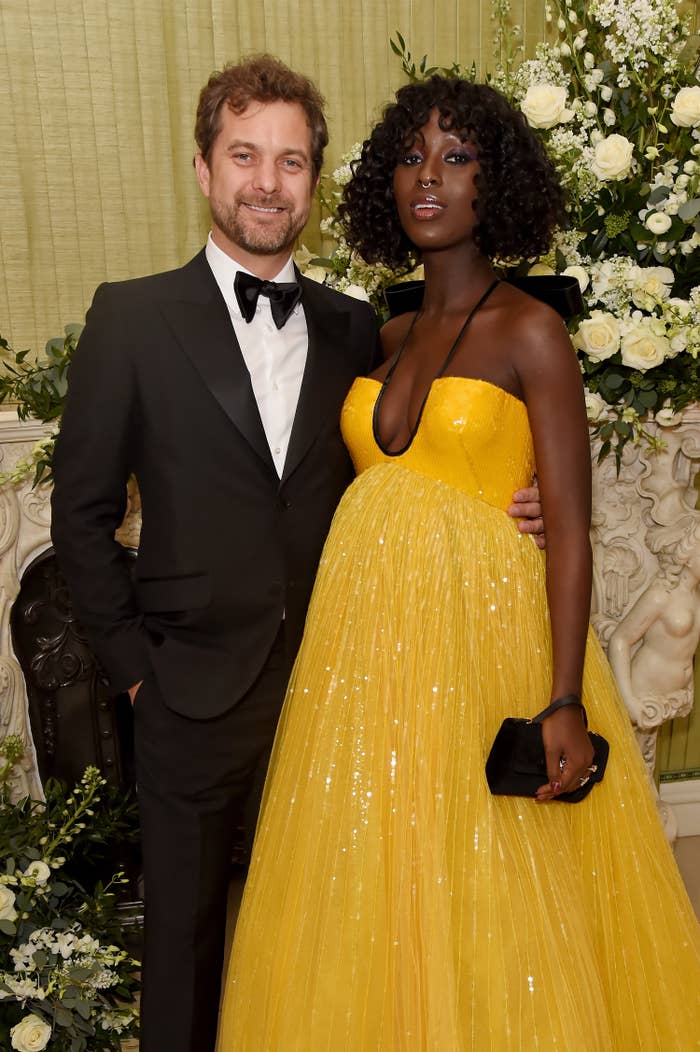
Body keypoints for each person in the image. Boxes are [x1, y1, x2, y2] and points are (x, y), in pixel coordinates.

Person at [49, 58, 543, 1052]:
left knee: (340, 946)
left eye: (290, 160)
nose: (266, 182)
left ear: (314, 183)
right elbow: (81, 519)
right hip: (185, 694)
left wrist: (503, 501)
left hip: (344, 688)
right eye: (244, 155)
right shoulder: (131, 318)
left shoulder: (356, 326)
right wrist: (139, 678)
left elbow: (398, 463)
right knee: (182, 960)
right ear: (201, 168)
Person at [217, 77, 700, 1050]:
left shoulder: (530, 330)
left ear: (498, 183)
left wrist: (564, 696)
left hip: (486, 648)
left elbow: (568, 525)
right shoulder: (382, 337)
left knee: (501, 888)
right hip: (368, 668)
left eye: (457, 156)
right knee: (386, 886)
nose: (427, 177)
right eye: (409, 156)